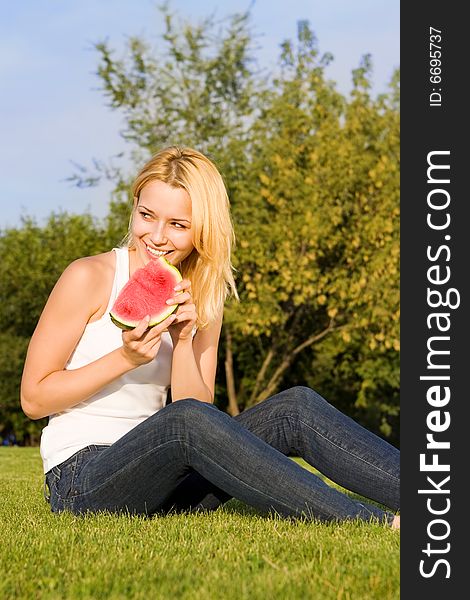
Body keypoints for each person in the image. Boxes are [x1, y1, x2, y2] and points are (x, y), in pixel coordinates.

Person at [20, 146, 400, 528]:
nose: (156, 236)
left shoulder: (201, 296)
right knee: (182, 421)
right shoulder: (89, 276)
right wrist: (126, 359)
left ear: (202, 228)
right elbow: (34, 399)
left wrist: (183, 341)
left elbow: (198, 409)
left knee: (293, 408)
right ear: (134, 205)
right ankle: (369, 522)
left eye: (177, 225)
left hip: (166, 479)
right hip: (83, 480)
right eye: (146, 215)